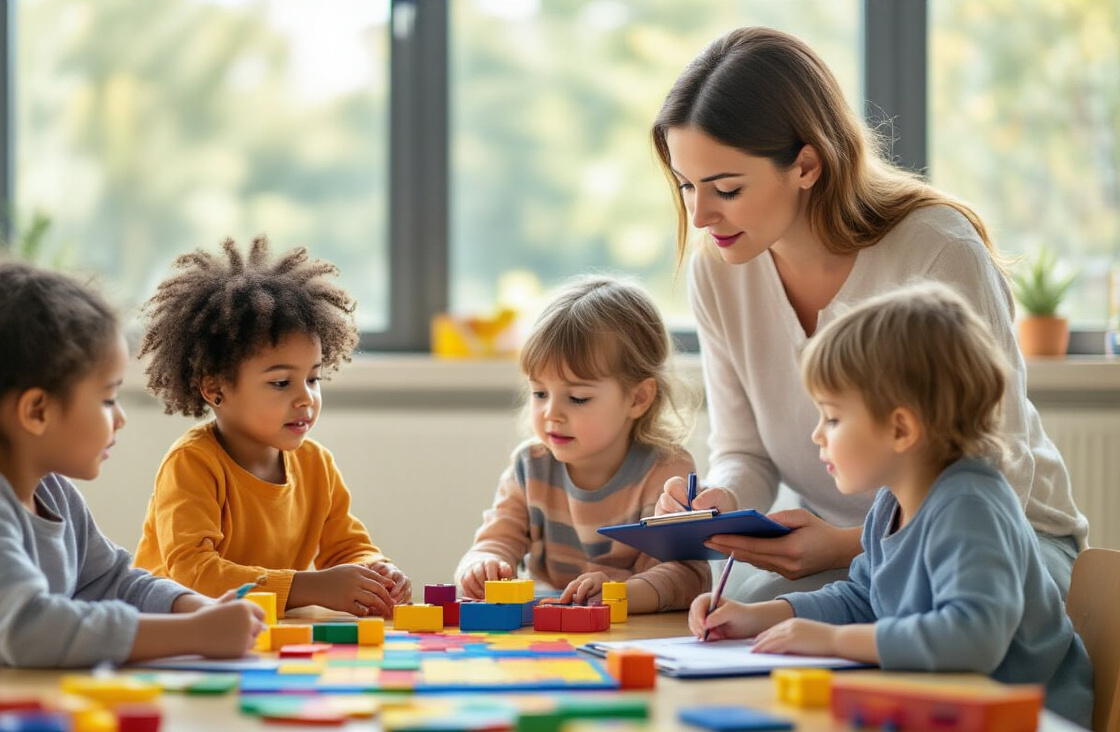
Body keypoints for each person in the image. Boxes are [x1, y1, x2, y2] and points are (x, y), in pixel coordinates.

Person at [650, 26, 1087, 601]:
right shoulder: (721, 272)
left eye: (726, 189)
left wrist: (849, 543)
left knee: (885, 626)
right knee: (739, 623)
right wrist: (719, 500)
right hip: (853, 554)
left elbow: (996, 465)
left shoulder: (937, 251)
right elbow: (745, 452)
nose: (701, 215)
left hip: (994, 542)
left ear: (806, 165)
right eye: (686, 186)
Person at [0, 262, 264, 716]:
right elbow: (29, 628)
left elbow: (110, 580)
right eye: (107, 398)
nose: (120, 417)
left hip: (5, 726)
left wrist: (194, 608)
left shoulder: (50, 491)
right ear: (37, 411)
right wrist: (195, 635)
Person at [689, 285, 1093, 728]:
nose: (818, 435)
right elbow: (863, 597)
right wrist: (755, 617)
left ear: (901, 429)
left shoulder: (971, 507)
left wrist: (835, 641)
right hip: (952, 712)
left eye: (834, 417)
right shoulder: (890, 504)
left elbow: (974, 639)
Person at [132, 237, 411, 619]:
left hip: (262, 632)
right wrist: (309, 585)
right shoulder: (192, 463)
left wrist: (376, 570)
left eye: (313, 379)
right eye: (281, 383)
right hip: (177, 630)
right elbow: (194, 575)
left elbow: (346, 546)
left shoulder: (316, 464)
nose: (306, 399)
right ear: (215, 388)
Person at [454, 275, 707, 613]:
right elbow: (494, 541)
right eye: (540, 393)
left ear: (639, 398)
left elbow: (688, 576)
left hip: (639, 633)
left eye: (577, 398)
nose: (551, 413)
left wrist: (622, 594)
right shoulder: (530, 466)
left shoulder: (666, 471)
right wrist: (481, 564)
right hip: (551, 626)